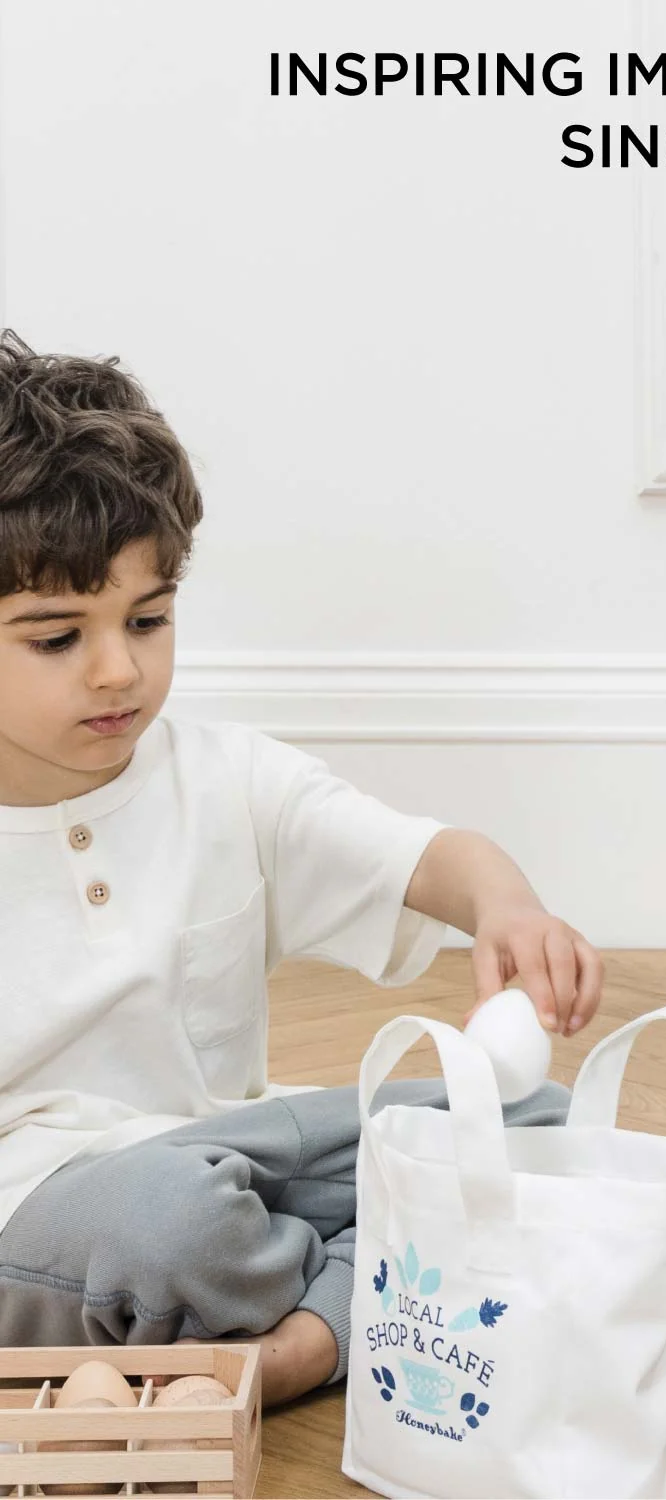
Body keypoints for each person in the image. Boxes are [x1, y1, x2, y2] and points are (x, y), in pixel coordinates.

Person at [0, 331, 602, 1404]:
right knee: (174, 1224)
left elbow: (426, 858)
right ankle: (354, 1312)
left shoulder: (226, 780)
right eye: (56, 638)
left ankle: (287, 1339)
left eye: (148, 619)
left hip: (235, 1154)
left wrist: (504, 905)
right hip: (49, 1207)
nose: (119, 669)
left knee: (540, 1128)